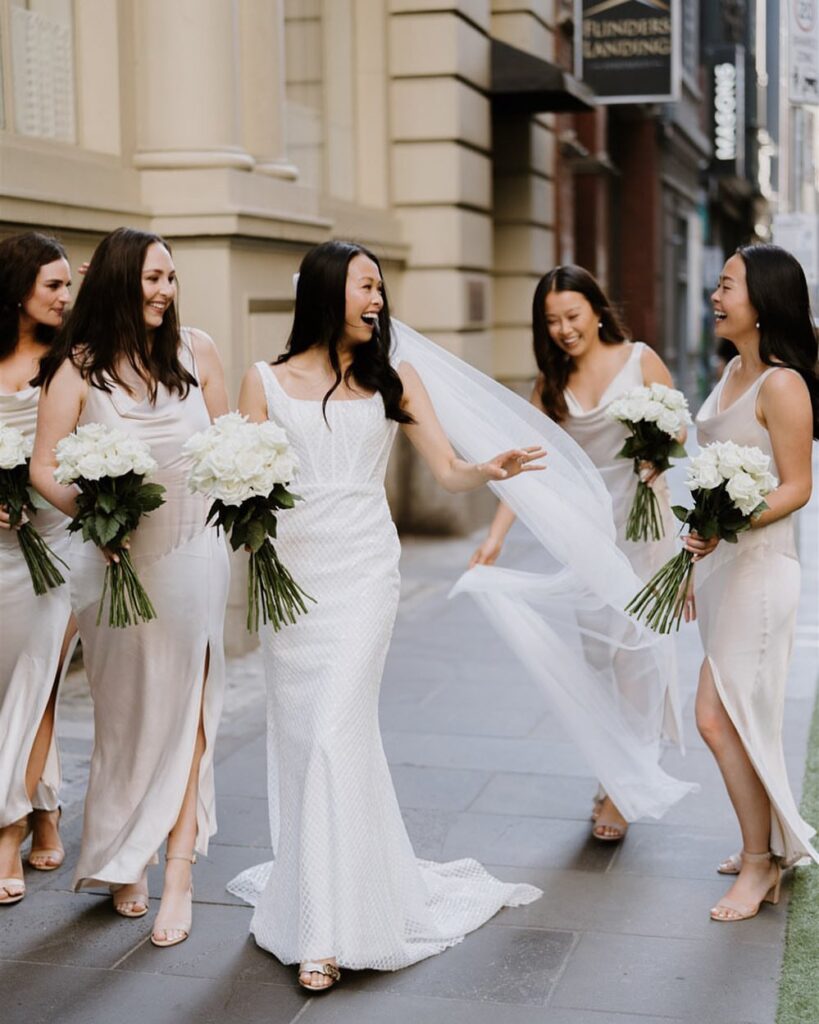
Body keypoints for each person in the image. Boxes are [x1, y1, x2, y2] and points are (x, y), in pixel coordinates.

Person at [227, 240, 545, 991]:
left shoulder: (394, 380)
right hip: (292, 579)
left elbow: (445, 468)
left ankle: (325, 934)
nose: (377, 299)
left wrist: (485, 469)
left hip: (364, 571)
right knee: (306, 737)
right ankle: (318, 887)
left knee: (336, 727)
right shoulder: (262, 381)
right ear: (329, 291)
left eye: (380, 288)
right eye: (365, 286)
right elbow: (240, 484)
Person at [30, 227, 230, 946]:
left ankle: (176, 870)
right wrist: (96, 514)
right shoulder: (77, 367)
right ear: (119, 280)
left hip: (193, 556)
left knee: (190, 712)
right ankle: (125, 854)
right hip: (115, 565)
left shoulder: (197, 349)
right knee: (125, 715)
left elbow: (228, 443)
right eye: (151, 277)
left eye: (171, 278)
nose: (164, 291)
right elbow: (45, 468)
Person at [470, 265, 684, 841]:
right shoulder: (550, 383)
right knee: (600, 659)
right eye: (552, 321)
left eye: (572, 315)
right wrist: (495, 537)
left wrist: (658, 454)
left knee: (637, 657)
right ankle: (613, 770)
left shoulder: (640, 360)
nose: (565, 329)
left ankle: (621, 788)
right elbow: (524, 469)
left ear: (596, 308)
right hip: (589, 537)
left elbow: (680, 430)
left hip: (644, 530)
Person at [684, 243, 819, 921]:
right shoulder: (732, 370)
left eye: (727, 285)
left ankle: (761, 863)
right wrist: (695, 558)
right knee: (736, 717)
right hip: (723, 570)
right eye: (717, 284)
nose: (714, 295)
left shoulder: (783, 384)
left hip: (761, 574)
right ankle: (762, 843)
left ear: (762, 300)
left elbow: (797, 487)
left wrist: (726, 525)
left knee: (718, 716)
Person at [0, 232, 76, 904]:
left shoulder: (74, 360)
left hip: (55, 543)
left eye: (68, 285)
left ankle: (9, 828)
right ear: (17, 286)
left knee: (37, 680)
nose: (63, 297)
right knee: (13, 687)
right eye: (52, 285)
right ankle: (47, 805)